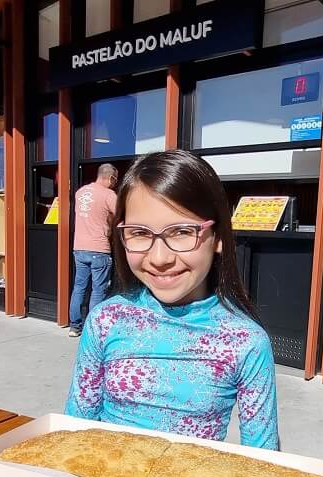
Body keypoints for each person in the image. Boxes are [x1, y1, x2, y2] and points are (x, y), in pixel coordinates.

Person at [65, 150, 279, 450]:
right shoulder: (106, 320)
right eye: (139, 232)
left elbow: (263, 464)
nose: (160, 258)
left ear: (217, 235)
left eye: (181, 231)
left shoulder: (245, 342)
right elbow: (74, 431)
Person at [68, 163, 117, 337]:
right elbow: (120, 217)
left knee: (79, 287)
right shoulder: (108, 195)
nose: (114, 183)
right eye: (115, 180)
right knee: (98, 290)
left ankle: (75, 327)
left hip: (79, 248)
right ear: (110, 177)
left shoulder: (80, 193)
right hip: (99, 249)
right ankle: (92, 330)